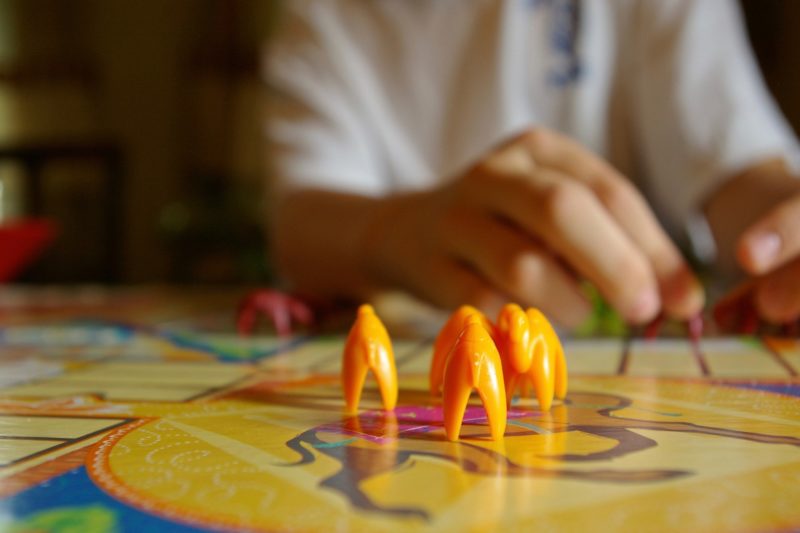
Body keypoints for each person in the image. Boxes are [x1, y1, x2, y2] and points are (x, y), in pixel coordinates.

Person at [262, 0, 800, 329]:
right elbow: (301, 218)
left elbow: (736, 163)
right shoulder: (323, 14)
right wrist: (395, 231)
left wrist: (781, 225)